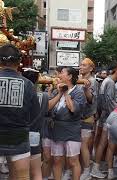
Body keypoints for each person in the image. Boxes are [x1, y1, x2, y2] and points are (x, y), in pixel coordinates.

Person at [0, 44, 40, 179]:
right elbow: (35, 114)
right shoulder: (28, 84)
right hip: (19, 138)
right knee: (22, 176)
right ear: (19, 62)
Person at [49, 67, 86, 180]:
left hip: (72, 129)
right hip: (57, 128)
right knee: (57, 160)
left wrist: (65, 93)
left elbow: (73, 109)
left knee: (73, 161)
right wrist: (59, 92)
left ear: (70, 77)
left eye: (62, 73)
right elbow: (48, 108)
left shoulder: (78, 91)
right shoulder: (56, 90)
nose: (59, 75)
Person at [91, 63, 117, 179]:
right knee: (106, 144)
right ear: (116, 71)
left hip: (105, 115)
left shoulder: (105, 81)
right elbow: (110, 101)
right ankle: (100, 169)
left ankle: (99, 168)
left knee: (103, 144)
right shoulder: (110, 82)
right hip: (109, 116)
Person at [22, 68, 49, 180]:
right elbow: (46, 112)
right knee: (36, 171)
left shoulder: (20, 95)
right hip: (35, 134)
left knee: (18, 171)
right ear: (37, 80)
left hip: (20, 134)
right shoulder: (44, 96)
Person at [79, 58, 99, 180]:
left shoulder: (92, 81)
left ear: (91, 68)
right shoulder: (80, 80)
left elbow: (91, 99)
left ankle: (86, 171)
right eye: (80, 65)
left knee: (83, 145)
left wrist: (86, 89)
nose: (81, 67)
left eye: (84, 65)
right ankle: (82, 169)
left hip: (86, 117)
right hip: (77, 117)